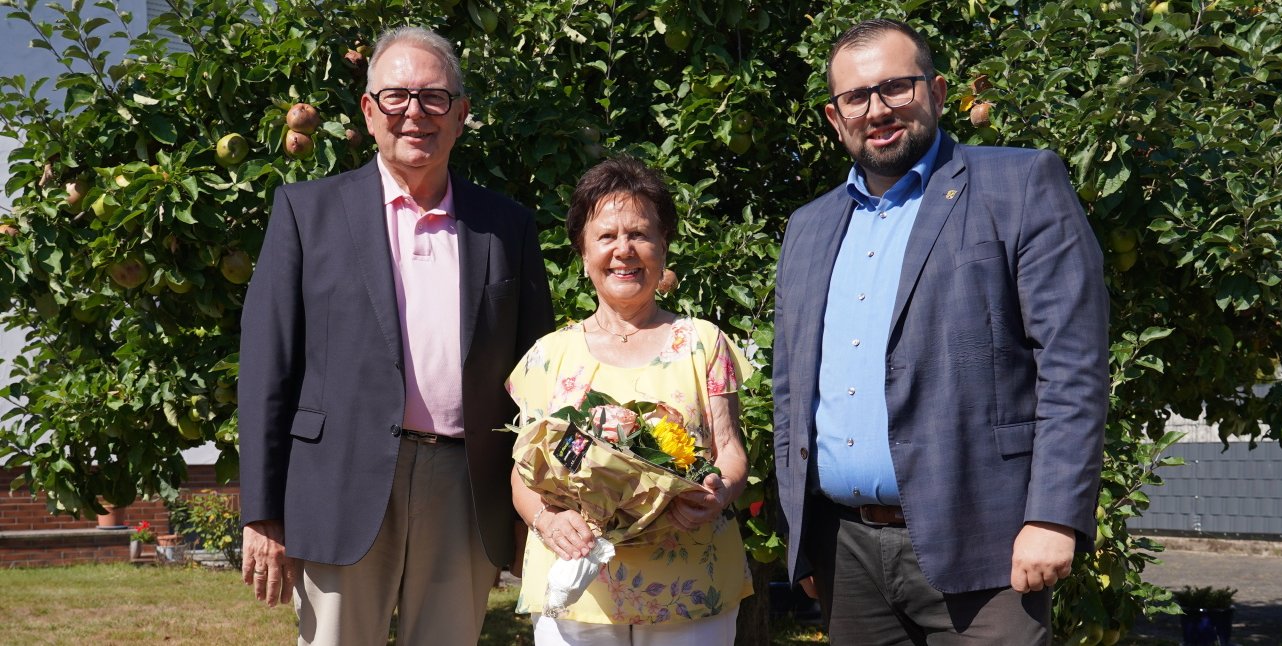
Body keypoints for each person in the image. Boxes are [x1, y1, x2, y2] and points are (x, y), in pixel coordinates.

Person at [772, 18, 1109, 644]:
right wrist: (801, 537)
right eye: (857, 97)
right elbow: (792, 388)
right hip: (844, 551)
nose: (878, 109)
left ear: (938, 90)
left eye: (896, 86)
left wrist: (1054, 517)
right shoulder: (808, 227)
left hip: (989, 545)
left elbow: (1072, 364)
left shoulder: (1020, 183)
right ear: (835, 115)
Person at [236, 25, 554, 645]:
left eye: (435, 98)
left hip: (465, 489)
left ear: (461, 114)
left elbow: (535, 379)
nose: (415, 113)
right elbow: (266, 370)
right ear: (368, 109)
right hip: (338, 483)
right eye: (396, 97)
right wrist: (263, 511)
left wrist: (534, 508)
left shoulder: (507, 226)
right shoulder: (306, 213)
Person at [506, 157, 752, 644]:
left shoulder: (703, 342)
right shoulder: (547, 356)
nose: (624, 250)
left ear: (663, 247)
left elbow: (731, 449)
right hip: (577, 588)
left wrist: (718, 493)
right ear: (582, 251)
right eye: (606, 236)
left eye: (640, 234)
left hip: (687, 585)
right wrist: (547, 520)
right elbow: (522, 468)